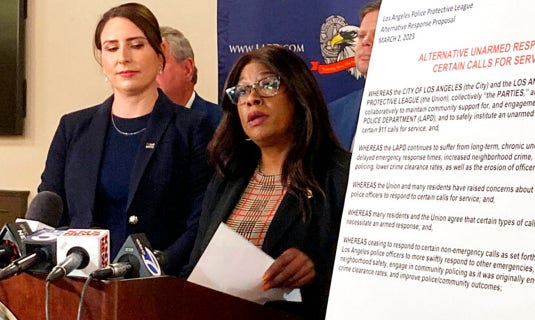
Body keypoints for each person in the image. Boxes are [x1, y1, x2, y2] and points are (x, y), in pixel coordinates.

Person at [37, 2, 214, 276]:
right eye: (111, 48)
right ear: (102, 58)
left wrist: (154, 266)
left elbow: (199, 222)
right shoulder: (72, 128)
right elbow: (50, 209)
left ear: (160, 53)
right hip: (78, 292)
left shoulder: (192, 127)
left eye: (136, 45)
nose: (123, 57)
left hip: (158, 291)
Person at [182, 45, 350, 319]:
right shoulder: (227, 177)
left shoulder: (339, 175)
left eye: (267, 84)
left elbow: (367, 279)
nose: (252, 99)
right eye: (242, 91)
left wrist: (315, 270)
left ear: (298, 94)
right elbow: (194, 267)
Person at [328, 0, 381, 150]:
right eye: (361, 35)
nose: (365, 42)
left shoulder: (431, 108)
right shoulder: (333, 113)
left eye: (378, 35)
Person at [157, 26, 222, 129]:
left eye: (159, 65)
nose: (150, 75)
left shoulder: (221, 123)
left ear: (187, 69)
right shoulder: (142, 124)